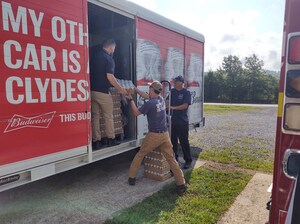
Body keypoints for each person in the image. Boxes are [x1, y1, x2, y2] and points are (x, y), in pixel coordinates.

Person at [126, 81, 188, 195]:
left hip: (154, 135)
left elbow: (135, 112)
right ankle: (181, 184)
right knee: (171, 159)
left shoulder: (150, 104)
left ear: (152, 90)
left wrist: (130, 99)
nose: (148, 90)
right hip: (165, 135)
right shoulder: (161, 99)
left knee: (140, 154)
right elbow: (147, 96)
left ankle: (131, 178)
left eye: (149, 88)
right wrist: (136, 90)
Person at [90, 39, 127, 150]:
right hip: (103, 92)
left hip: (92, 91)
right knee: (108, 115)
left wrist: (116, 80)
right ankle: (111, 139)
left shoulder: (94, 56)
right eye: (114, 48)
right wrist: (120, 89)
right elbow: (109, 77)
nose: (114, 51)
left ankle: (96, 141)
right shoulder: (109, 59)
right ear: (110, 47)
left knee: (95, 116)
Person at [169, 76, 193, 169]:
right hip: (173, 121)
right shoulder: (172, 92)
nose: (174, 83)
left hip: (182, 122)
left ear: (180, 83)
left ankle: (188, 160)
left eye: (175, 82)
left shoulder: (186, 93)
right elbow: (167, 101)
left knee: (184, 142)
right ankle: (175, 159)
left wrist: (173, 107)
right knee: (173, 142)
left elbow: (185, 105)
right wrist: (167, 104)